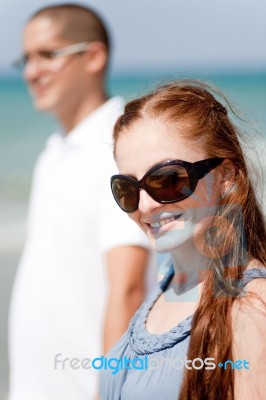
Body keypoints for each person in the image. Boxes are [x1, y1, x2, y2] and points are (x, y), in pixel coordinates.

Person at [8, 4, 156, 400]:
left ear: (93, 56)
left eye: (48, 54)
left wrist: (109, 391)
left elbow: (128, 288)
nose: (31, 72)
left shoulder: (116, 148)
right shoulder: (55, 151)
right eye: (26, 58)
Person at [100, 80, 266, 399]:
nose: (146, 205)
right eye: (128, 189)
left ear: (227, 175)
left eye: (168, 180)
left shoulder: (251, 309)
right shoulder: (167, 287)